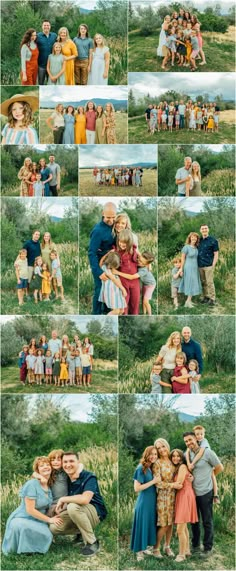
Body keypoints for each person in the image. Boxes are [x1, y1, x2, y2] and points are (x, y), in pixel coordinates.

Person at [50, 451, 107, 556]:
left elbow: (85, 499)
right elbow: (44, 467)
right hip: (76, 511)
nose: (68, 464)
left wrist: (63, 499)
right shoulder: (66, 477)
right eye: (65, 462)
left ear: (78, 462)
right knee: (53, 527)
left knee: (72, 506)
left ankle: (92, 542)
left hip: (94, 512)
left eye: (71, 461)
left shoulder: (89, 476)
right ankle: (80, 534)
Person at [2, 456, 62, 555]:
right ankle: (25, 550)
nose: (46, 467)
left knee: (48, 533)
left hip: (38, 519)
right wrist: (49, 520)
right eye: (42, 466)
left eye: (47, 465)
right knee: (46, 534)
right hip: (23, 517)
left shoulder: (48, 485)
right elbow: (30, 510)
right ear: (37, 470)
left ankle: (32, 547)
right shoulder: (32, 484)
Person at [183, 432, 223, 557]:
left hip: (206, 492)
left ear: (196, 438)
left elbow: (220, 467)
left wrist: (209, 477)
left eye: (190, 439)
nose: (189, 443)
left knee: (207, 521)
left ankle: (208, 548)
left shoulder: (208, 452)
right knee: (194, 521)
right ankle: (195, 545)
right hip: (192, 493)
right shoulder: (186, 455)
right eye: (186, 441)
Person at [152, 438, 182, 559]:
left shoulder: (172, 460)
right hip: (163, 497)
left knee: (170, 524)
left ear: (167, 446)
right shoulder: (157, 463)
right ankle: (156, 548)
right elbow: (157, 483)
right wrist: (172, 485)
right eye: (158, 448)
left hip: (174, 496)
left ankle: (167, 546)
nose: (161, 449)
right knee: (164, 524)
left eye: (163, 446)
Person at [130, 446, 158, 561]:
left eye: (155, 454)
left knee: (149, 524)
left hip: (151, 502)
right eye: (151, 454)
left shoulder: (152, 467)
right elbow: (137, 488)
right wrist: (153, 481)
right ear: (146, 454)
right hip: (144, 502)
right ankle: (139, 552)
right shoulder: (141, 468)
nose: (153, 456)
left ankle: (145, 547)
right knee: (142, 525)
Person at [88, 202, 116, 314]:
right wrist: (98, 272)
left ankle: (109, 310)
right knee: (100, 290)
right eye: (108, 217)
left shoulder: (115, 225)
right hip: (100, 265)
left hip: (113, 264)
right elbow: (91, 253)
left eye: (113, 217)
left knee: (111, 289)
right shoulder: (98, 231)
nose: (111, 220)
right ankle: (96, 313)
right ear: (103, 213)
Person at [170, 449, 198, 562]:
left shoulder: (182, 467)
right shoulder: (177, 468)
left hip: (185, 495)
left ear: (182, 458)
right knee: (184, 526)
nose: (176, 458)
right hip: (184, 495)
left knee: (180, 528)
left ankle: (181, 555)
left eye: (178, 456)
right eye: (173, 456)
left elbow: (179, 484)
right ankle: (187, 550)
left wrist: (163, 484)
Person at [114, 250, 156, 315]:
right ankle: (144, 314)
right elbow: (136, 251)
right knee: (143, 299)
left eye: (142, 263)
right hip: (145, 284)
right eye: (139, 259)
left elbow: (131, 277)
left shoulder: (144, 270)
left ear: (146, 264)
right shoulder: (141, 259)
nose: (139, 262)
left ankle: (150, 315)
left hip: (150, 285)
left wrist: (118, 273)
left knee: (145, 301)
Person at [186, 425, 220, 504]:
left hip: (206, 489)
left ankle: (215, 495)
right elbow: (187, 452)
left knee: (212, 477)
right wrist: (188, 463)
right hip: (195, 490)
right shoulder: (193, 444)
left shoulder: (204, 442)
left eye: (201, 434)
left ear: (204, 434)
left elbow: (200, 453)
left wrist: (193, 463)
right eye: (197, 434)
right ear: (194, 435)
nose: (199, 436)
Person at [113, 229, 140, 315]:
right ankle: (124, 317)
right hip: (123, 281)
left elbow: (143, 259)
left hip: (135, 281)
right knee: (124, 303)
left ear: (130, 242)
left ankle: (134, 318)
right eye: (121, 242)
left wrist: (149, 265)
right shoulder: (116, 252)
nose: (122, 244)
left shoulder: (134, 251)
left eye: (125, 242)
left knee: (135, 303)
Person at [98, 251, 127, 315]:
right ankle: (105, 321)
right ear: (109, 263)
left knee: (121, 311)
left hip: (117, 291)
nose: (114, 268)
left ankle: (114, 321)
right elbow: (113, 279)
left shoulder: (110, 268)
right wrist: (123, 289)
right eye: (113, 266)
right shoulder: (106, 268)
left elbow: (101, 262)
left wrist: (107, 254)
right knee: (116, 311)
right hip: (112, 292)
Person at [179, 232, 202, 308]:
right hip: (188, 267)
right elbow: (182, 259)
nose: (194, 238)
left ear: (197, 239)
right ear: (189, 238)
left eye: (195, 237)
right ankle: (187, 302)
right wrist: (181, 269)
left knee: (193, 283)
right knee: (190, 283)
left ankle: (189, 301)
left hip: (195, 267)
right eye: (192, 237)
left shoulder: (196, 248)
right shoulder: (186, 247)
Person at [198, 224, 219, 306]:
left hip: (209, 265)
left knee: (210, 282)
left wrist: (213, 265)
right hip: (200, 265)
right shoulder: (199, 241)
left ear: (208, 230)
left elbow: (216, 254)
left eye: (205, 228)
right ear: (200, 230)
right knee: (203, 282)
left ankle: (212, 299)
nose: (204, 230)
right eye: (202, 229)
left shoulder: (213, 240)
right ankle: (206, 297)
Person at [37, 20, 57, 85]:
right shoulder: (38, 36)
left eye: (48, 25)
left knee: (52, 84)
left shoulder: (54, 36)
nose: (46, 27)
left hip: (52, 65)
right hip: (41, 65)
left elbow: (60, 44)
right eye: (44, 25)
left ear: (50, 26)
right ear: (42, 27)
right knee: (41, 84)